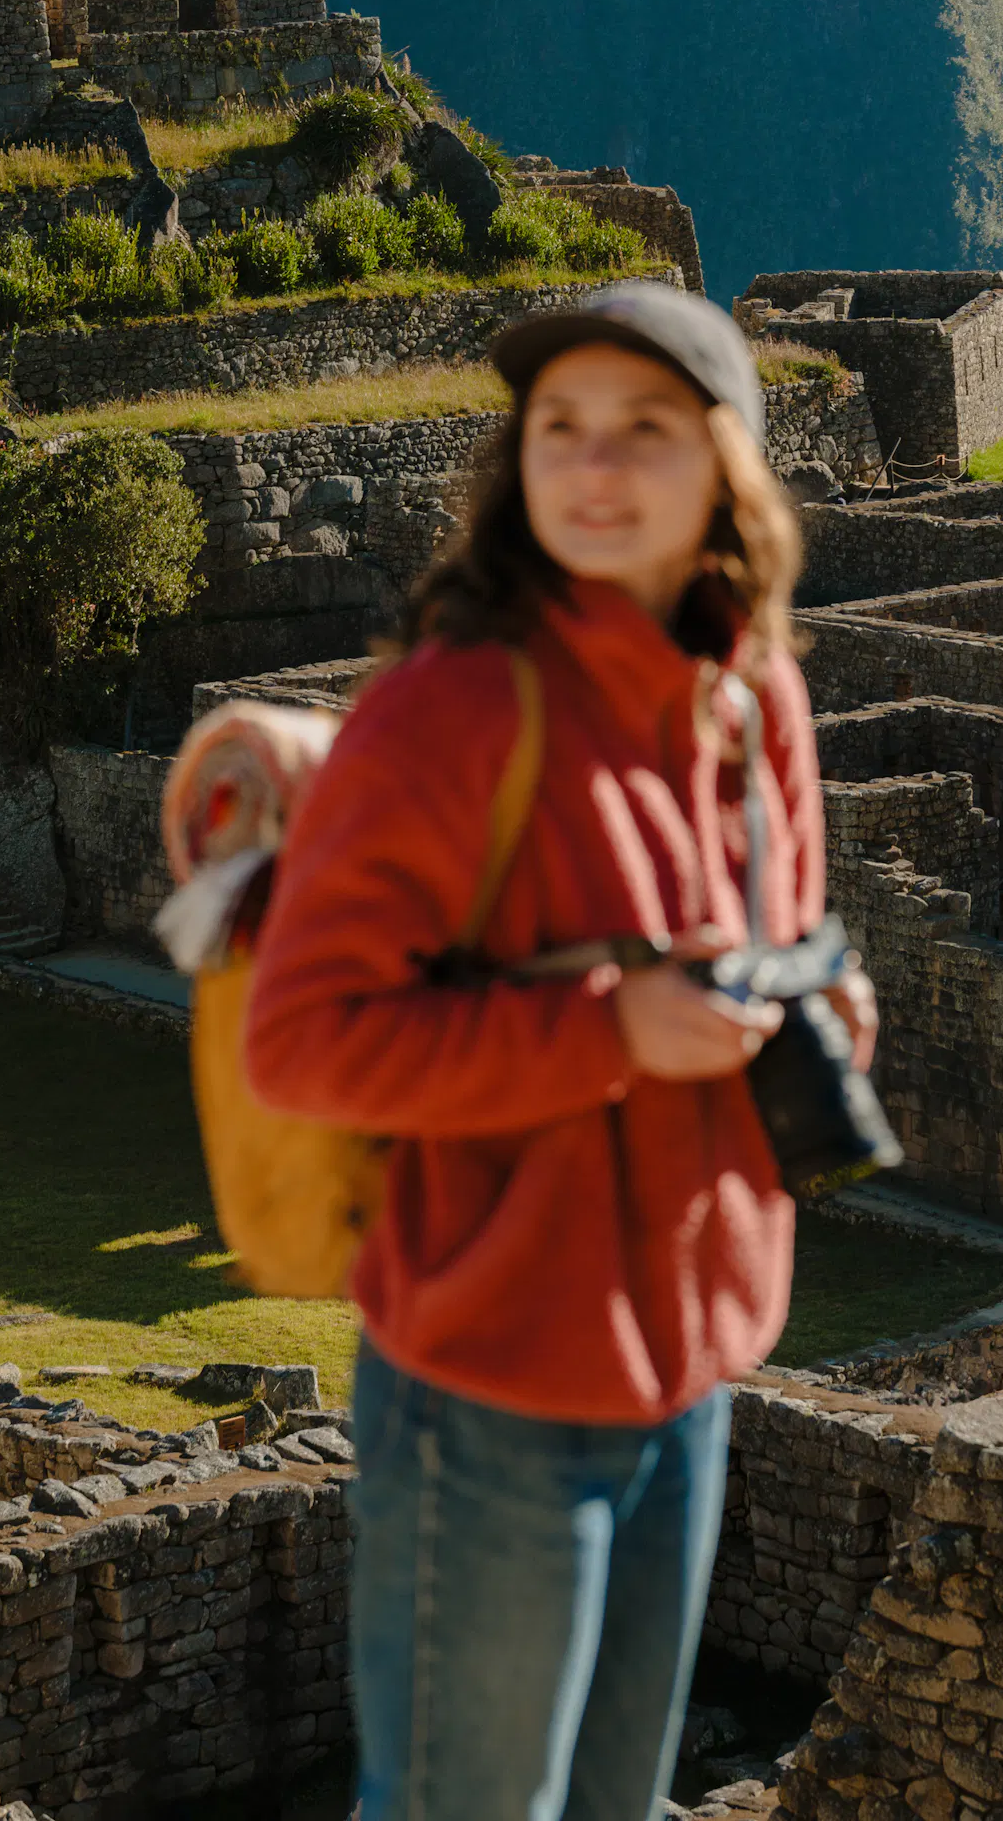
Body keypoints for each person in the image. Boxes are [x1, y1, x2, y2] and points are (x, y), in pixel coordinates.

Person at [244, 281, 878, 1821]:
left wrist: (827, 1004)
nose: (595, 469)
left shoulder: (752, 702)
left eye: (643, 431)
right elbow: (304, 1041)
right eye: (560, 431)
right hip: (496, 1383)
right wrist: (608, 1034)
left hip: (694, 1369)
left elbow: (777, 926)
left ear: (723, 463)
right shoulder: (450, 716)